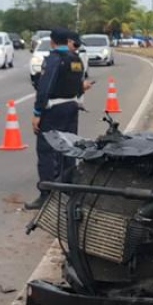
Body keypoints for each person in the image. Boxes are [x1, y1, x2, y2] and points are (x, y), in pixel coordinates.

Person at [25, 30, 94, 210]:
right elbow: (78, 85)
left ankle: (47, 194)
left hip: (53, 109)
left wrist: (37, 113)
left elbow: (44, 88)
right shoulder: (76, 60)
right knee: (68, 148)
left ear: (52, 41)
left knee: (47, 151)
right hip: (71, 107)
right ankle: (68, 191)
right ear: (68, 41)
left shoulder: (54, 59)